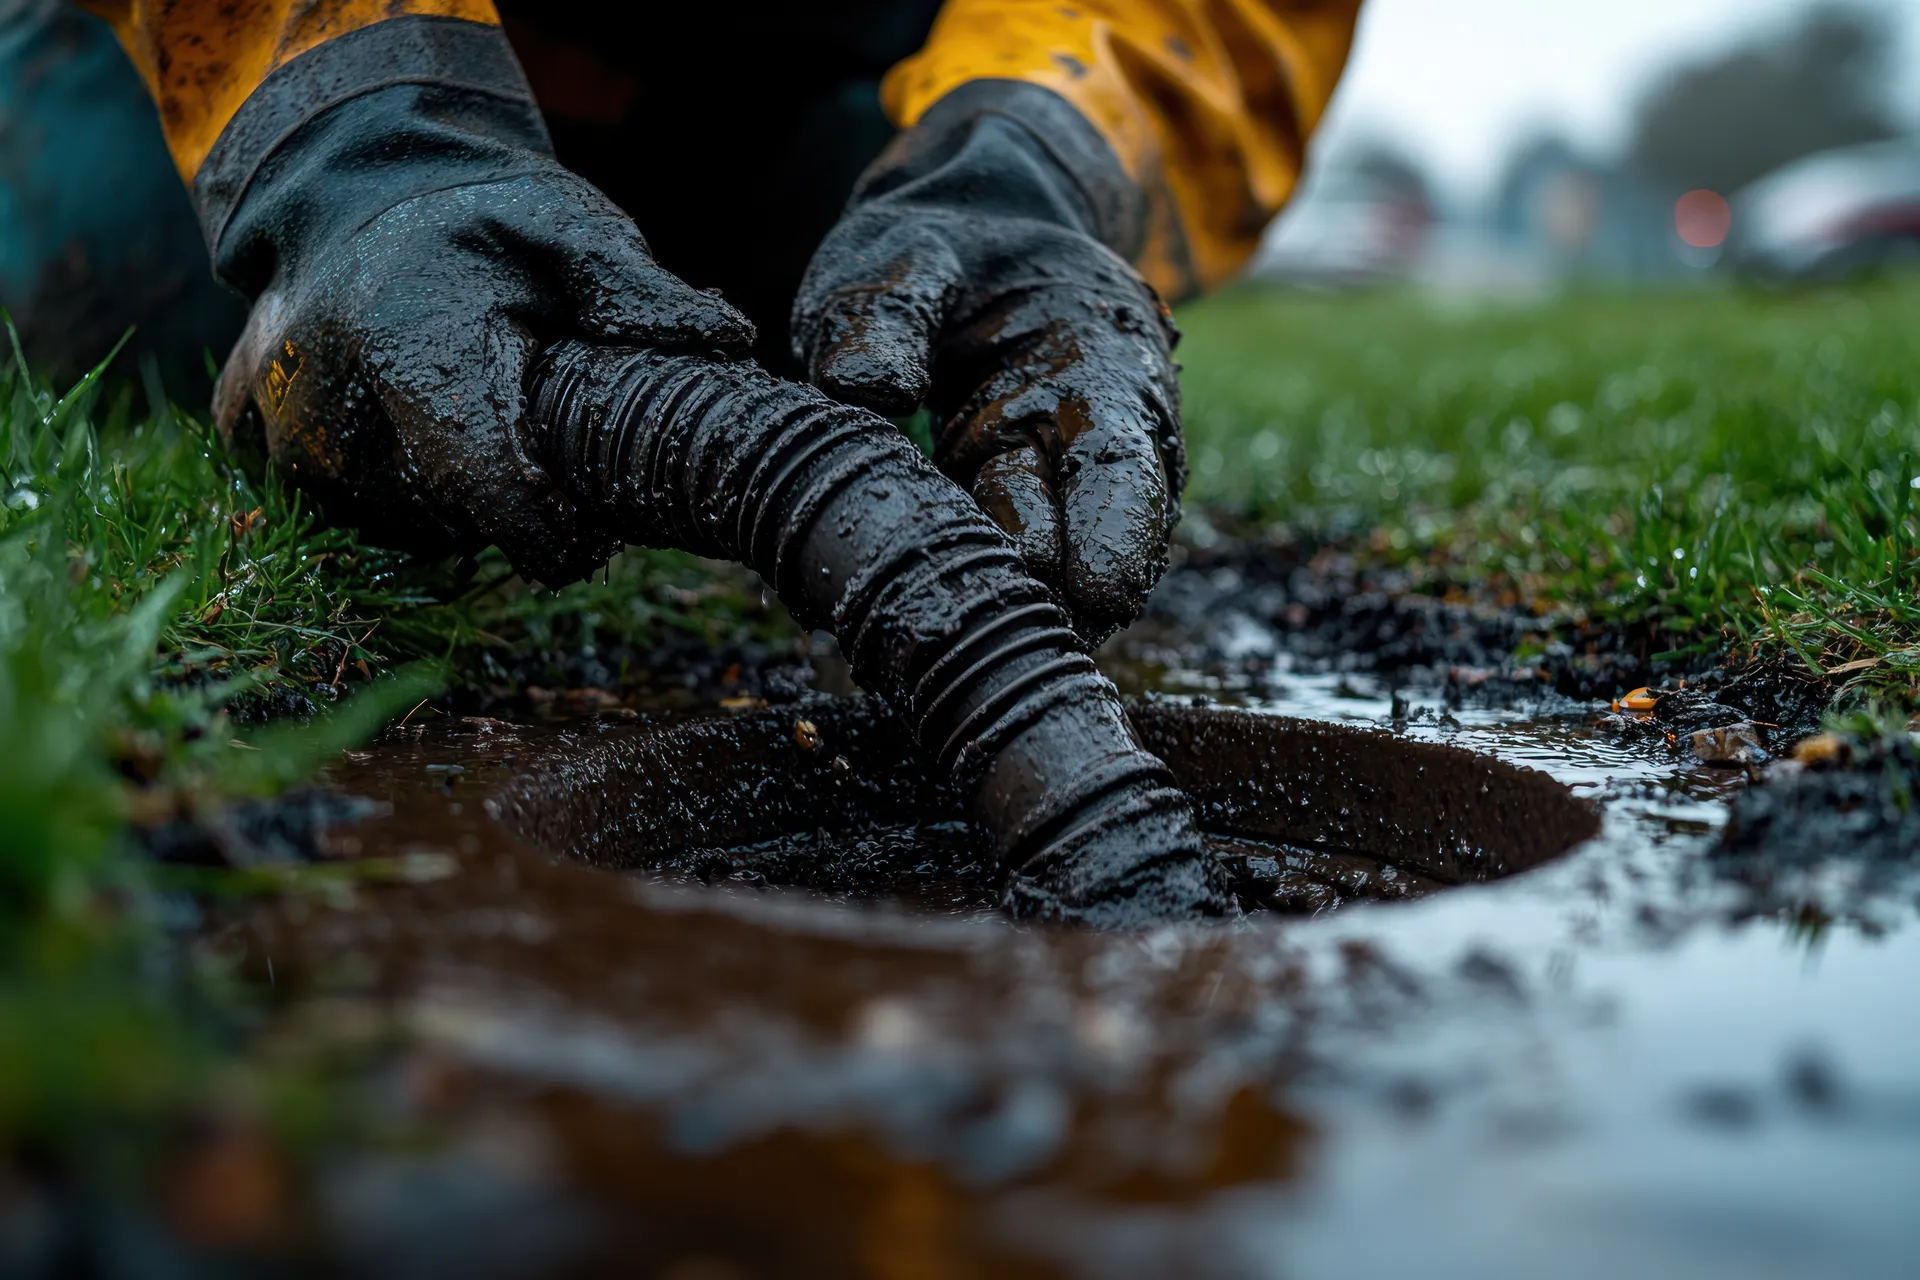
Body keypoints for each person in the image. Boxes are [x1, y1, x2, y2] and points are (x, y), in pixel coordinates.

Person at [52, 0, 1360, 640]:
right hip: (289, 41)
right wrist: (354, 141)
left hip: (803, 68)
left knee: (866, 336)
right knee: (121, 287)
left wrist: (1030, 161)